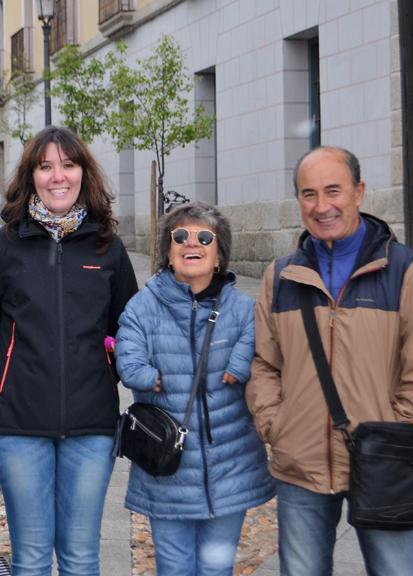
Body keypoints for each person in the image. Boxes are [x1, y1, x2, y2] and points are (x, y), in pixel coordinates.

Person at [247, 146, 413, 576]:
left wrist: (398, 429)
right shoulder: (280, 276)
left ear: (359, 192)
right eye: (308, 194)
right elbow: (264, 363)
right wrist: (275, 423)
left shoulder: (406, 271)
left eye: (333, 191)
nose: (322, 207)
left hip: (382, 461)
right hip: (299, 462)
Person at [0, 126, 138, 576]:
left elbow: (126, 330)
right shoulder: (4, 245)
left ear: (84, 173)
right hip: (17, 429)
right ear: (31, 176)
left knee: (81, 558)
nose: (58, 176)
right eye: (45, 166)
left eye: (68, 165)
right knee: (30, 559)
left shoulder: (107, 248)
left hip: (91, 427)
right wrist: (6, 391)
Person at [117, 203, 275, 576]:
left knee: (217, 568)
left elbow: (261, 343)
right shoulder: (142, 307)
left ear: (219, 254)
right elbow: (127, 357)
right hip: (167, 467)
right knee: (174, 567)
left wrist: (239, 363)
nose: (193, 243)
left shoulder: (242, 307)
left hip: (229, 465)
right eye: (181, 237)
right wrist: (144, 375)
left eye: (205, 237)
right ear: (167, 253)